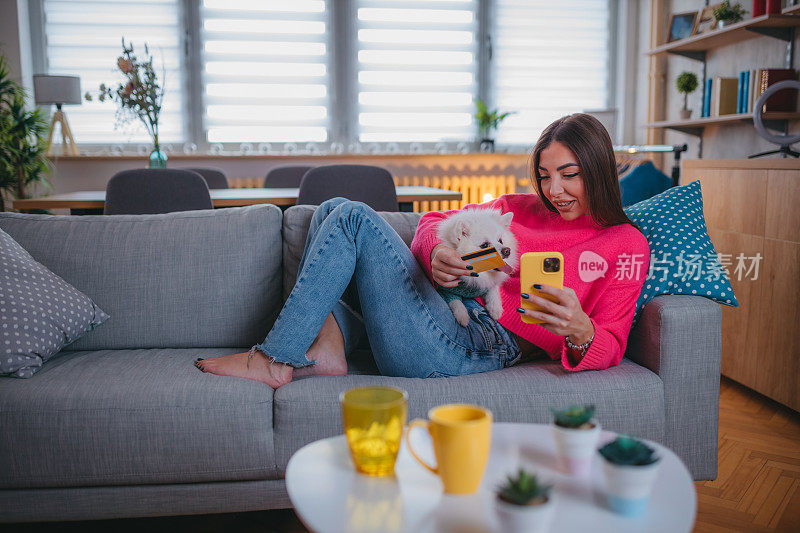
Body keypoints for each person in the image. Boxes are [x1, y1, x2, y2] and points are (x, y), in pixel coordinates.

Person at [195, 113, 649, 387]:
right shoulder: (516, 208)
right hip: (446, 312)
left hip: (479, 345)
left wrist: (580, 329)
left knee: (351, 216)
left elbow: (611, 343)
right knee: (328, 208)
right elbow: (434, 223)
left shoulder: (624, 243)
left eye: (569, 174)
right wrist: (436, 254)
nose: (555, 191)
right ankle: (331, 345)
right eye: (545, 176)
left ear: (598, 169)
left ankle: (275, 358)